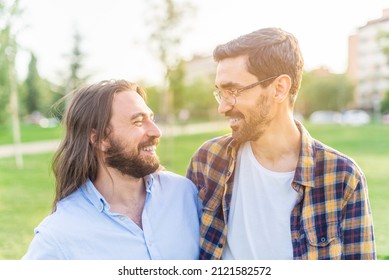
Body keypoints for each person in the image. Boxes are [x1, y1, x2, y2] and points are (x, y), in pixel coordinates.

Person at [186, 27, 376, 260]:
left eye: (233, 90)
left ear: (279, 88)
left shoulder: (343, 177)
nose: (222, 107)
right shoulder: (207, 161)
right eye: (220, 93)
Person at [23, 80, 200, 260]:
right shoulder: (58, 237)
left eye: (151, 119)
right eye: (138, 122)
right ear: (100, 139)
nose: (156, 132)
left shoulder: (185, 194)